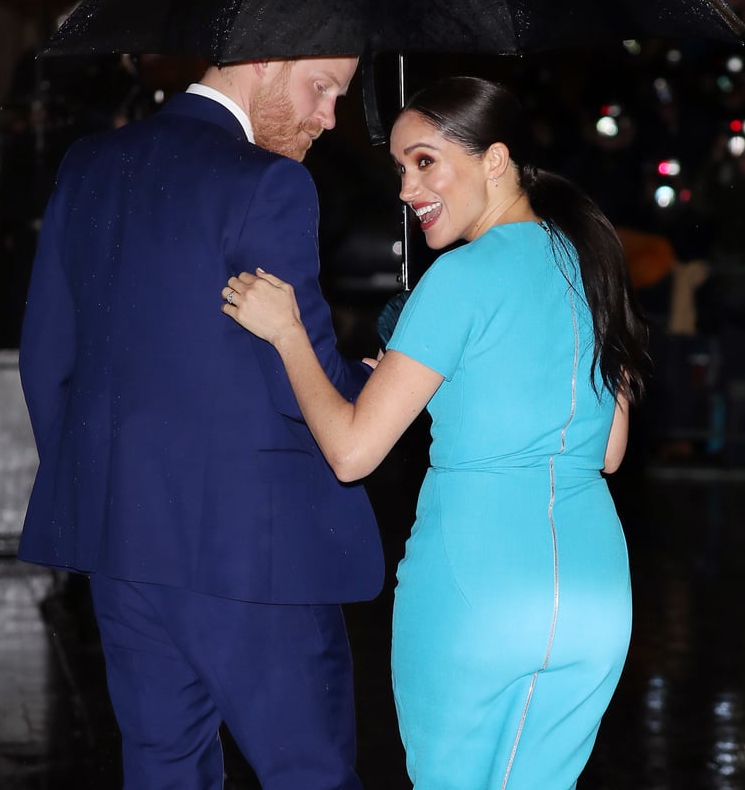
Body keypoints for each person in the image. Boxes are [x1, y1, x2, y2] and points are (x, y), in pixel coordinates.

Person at [221, 76, 649, 790]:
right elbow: (607, 450)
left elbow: (353, 453)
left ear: (494, 160)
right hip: (595, 590)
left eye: (424, 161)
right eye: (398, 168)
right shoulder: (590, 262)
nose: (405, 188)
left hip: (476, 581)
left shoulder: (458, 278)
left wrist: (289, 334)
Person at [17, 55, 384, 790]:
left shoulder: (89, 164)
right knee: (307, 773)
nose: (327, 117)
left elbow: (45, 356)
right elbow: (296, 378)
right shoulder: (269, 181)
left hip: (120, 543)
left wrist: (103, 491)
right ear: (266, 64)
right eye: (321, 89)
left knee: (162, 771)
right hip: (253, 554)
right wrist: (370, 384)